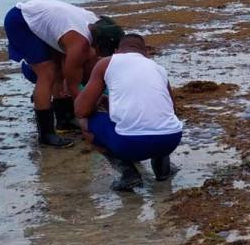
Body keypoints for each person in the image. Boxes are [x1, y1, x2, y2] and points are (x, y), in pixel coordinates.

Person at [4, 0, 124, 147]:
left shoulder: (97, 26)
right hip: (22, 21)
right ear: (99, 43)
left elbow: (76, 71)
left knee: (60, 69)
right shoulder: (80, 45)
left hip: (49, 20)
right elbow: (73, 86)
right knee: (47, 72)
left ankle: (64, 120)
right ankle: (46, 134)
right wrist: (88, 113)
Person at [75, 34, 183, 192]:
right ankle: (162, 170)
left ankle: (128, 174)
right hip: (171, 140)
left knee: (84, 123)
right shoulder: (158, 68)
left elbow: (80, 110)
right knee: (158, 118)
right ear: (145, 52)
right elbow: (170, 109)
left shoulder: (106, 63)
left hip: (130, 145)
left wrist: (97, 101)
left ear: (117, 51)